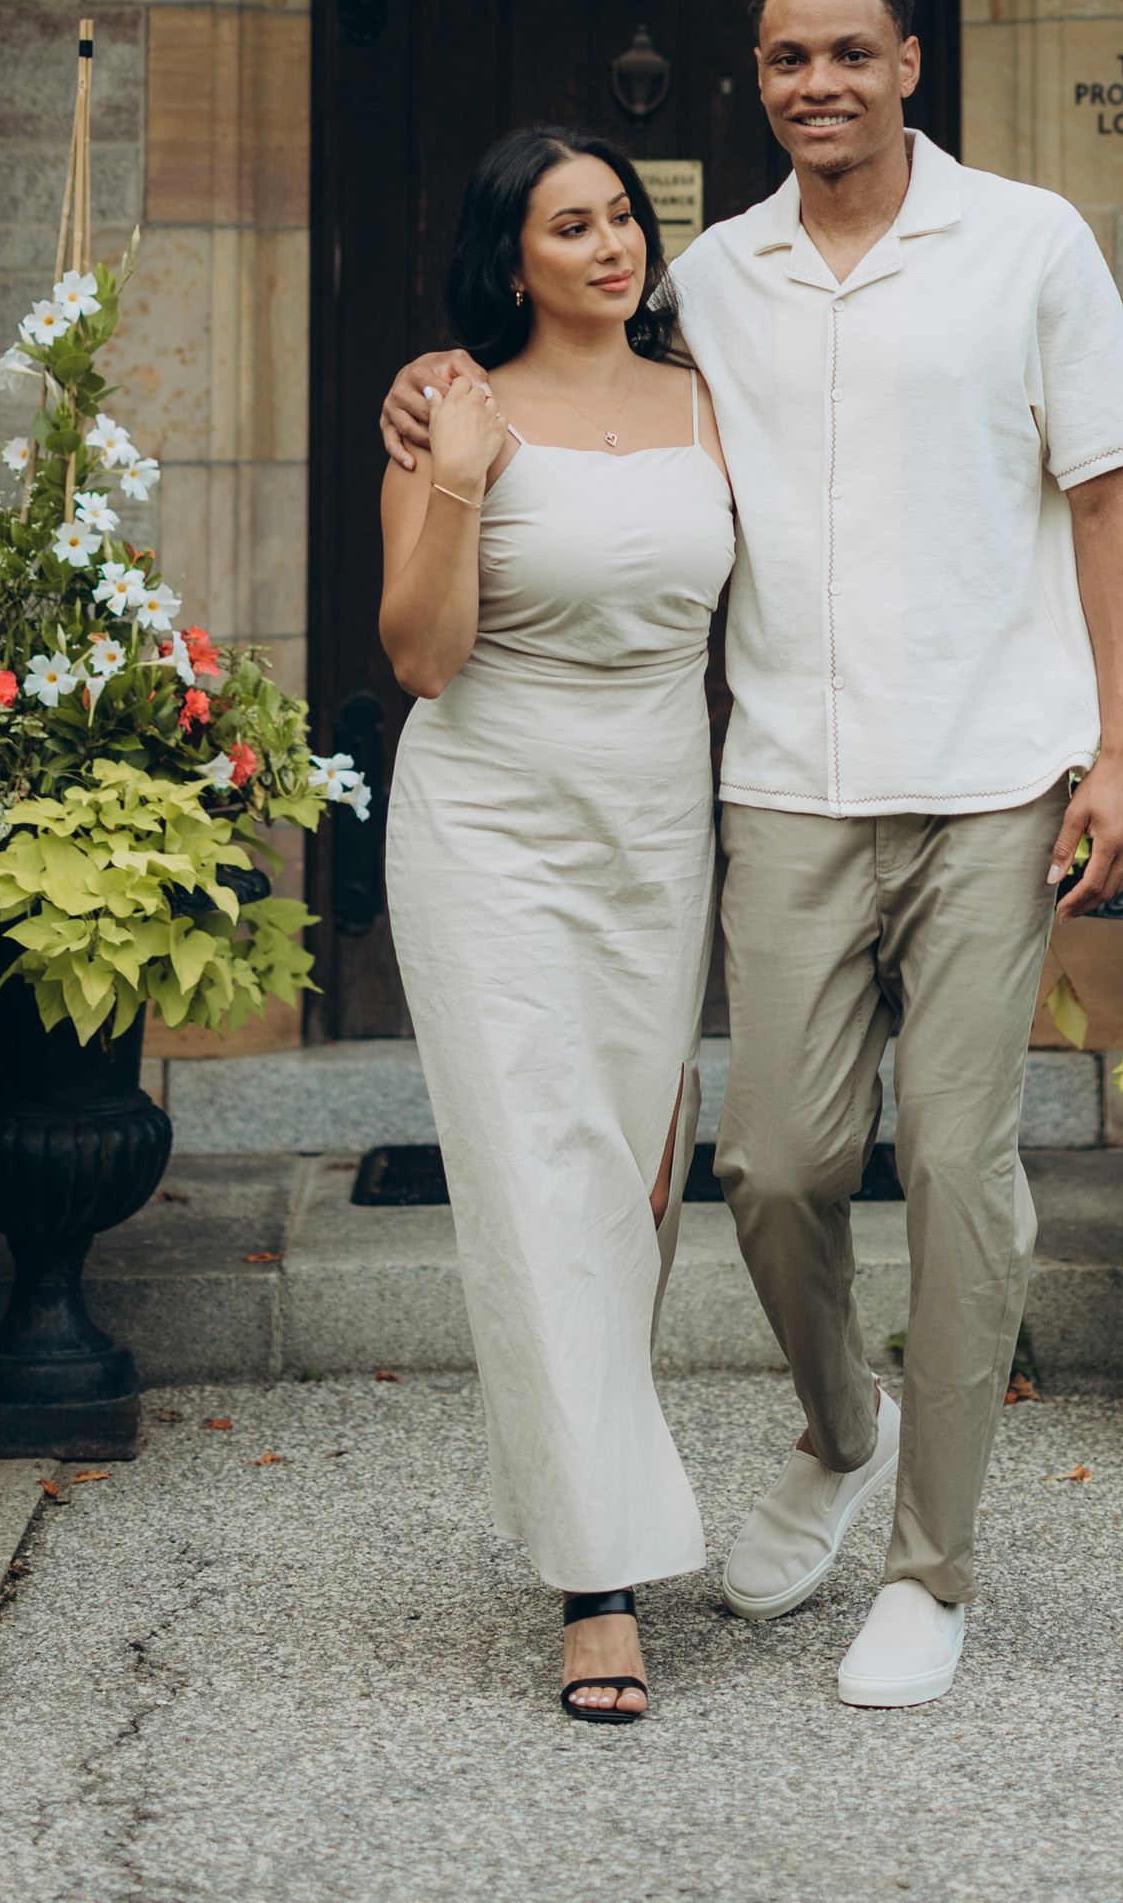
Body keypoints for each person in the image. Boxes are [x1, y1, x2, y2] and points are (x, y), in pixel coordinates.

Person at [382, 0, 1123, 1710]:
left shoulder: (1031, 242)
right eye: (785, 59)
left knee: (961, 1169)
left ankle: (932, 1569)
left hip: (991, 775)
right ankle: (840, 1425)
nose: (817, 83)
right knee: (777, 1169)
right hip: (783, 784)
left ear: (909, 63)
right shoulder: (712, 285)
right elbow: (563, 399)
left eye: (847, 53)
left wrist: (1118, 755)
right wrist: (433, 396)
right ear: (755, 83)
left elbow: (1116, 498)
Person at [377, 124, 733, 1727]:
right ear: (507, 256)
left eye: (622, 217)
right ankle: (599, 1584)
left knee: (635, 1178)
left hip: (658, 820)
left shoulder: (714, 395)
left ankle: (593, 1483)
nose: (610, 245)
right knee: (535, 1175)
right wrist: (455, 484)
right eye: (569, 225)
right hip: (492, 819)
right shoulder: (454, 406)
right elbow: (425, 658)